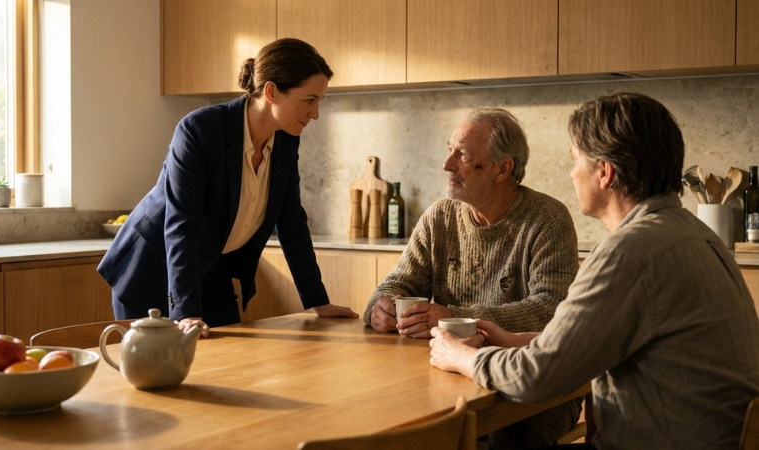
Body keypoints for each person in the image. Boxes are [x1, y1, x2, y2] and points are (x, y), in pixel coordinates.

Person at [430, 93, 759, 449]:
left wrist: (462, 357)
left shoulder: (630, 253)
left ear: (605, 173)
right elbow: (593, 342)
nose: (571, 174)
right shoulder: (692, 233)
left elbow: (536, 378)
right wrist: (519, 340)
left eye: (575, 160)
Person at [98, 38, 358, 337]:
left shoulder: (286, 140)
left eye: (319, 102)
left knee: (228, 363)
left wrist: (317, 301)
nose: (315, 114)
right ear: (272, 91)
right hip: (153, 271)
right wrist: (187, 313)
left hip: (212, 270)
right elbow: (182, 223)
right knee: (161, 376)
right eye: (309, 100)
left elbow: (291, 221)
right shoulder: (200, 129)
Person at [364, 108, 582, 448]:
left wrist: (457, 318)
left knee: (508, 441)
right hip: (454, 377)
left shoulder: (548, 219)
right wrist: (381, 306)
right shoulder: (440, 216)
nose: (447, 164)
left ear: (502, 168)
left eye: (462, 155)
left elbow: (551, 310)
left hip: (538, 387)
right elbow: (396, 283)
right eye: (449, 149)